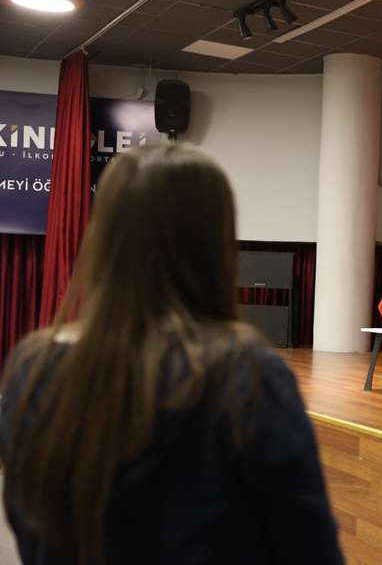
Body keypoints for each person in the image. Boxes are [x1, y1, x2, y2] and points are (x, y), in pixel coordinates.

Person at [0, 144, 343, 565]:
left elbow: (28, 531)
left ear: (101, 241)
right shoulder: (248, 376)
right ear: (216, 249)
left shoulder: (31, 369)